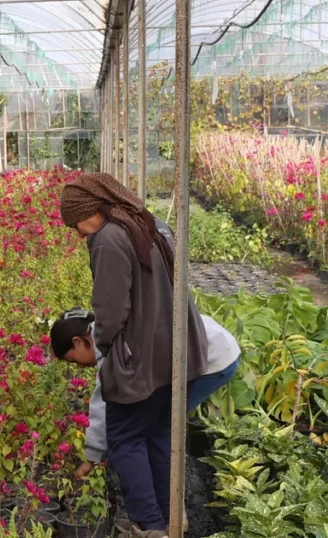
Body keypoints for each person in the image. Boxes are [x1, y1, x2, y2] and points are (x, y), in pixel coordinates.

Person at [59, 173, 209, 538]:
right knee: (158, 436)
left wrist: (104, 347)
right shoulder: (146, 223)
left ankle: (149, 526)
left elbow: (110, 310)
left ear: (92, 211)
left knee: (125, 439)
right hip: (176, 351)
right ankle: (171, 519)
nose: (78, 234)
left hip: (142, 358)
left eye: (76, 224)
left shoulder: (109, 238)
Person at [49, 308, 240, 481]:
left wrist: (91, 458)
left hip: (213, 358)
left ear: (78, 341)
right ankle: (164, 478)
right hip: (205, 343)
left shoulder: (109, 345)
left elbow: (103, 401)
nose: (80, 366)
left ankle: (167, 485)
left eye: (73, 360)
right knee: (155, 419)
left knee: (162, 423)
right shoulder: (107, 325)